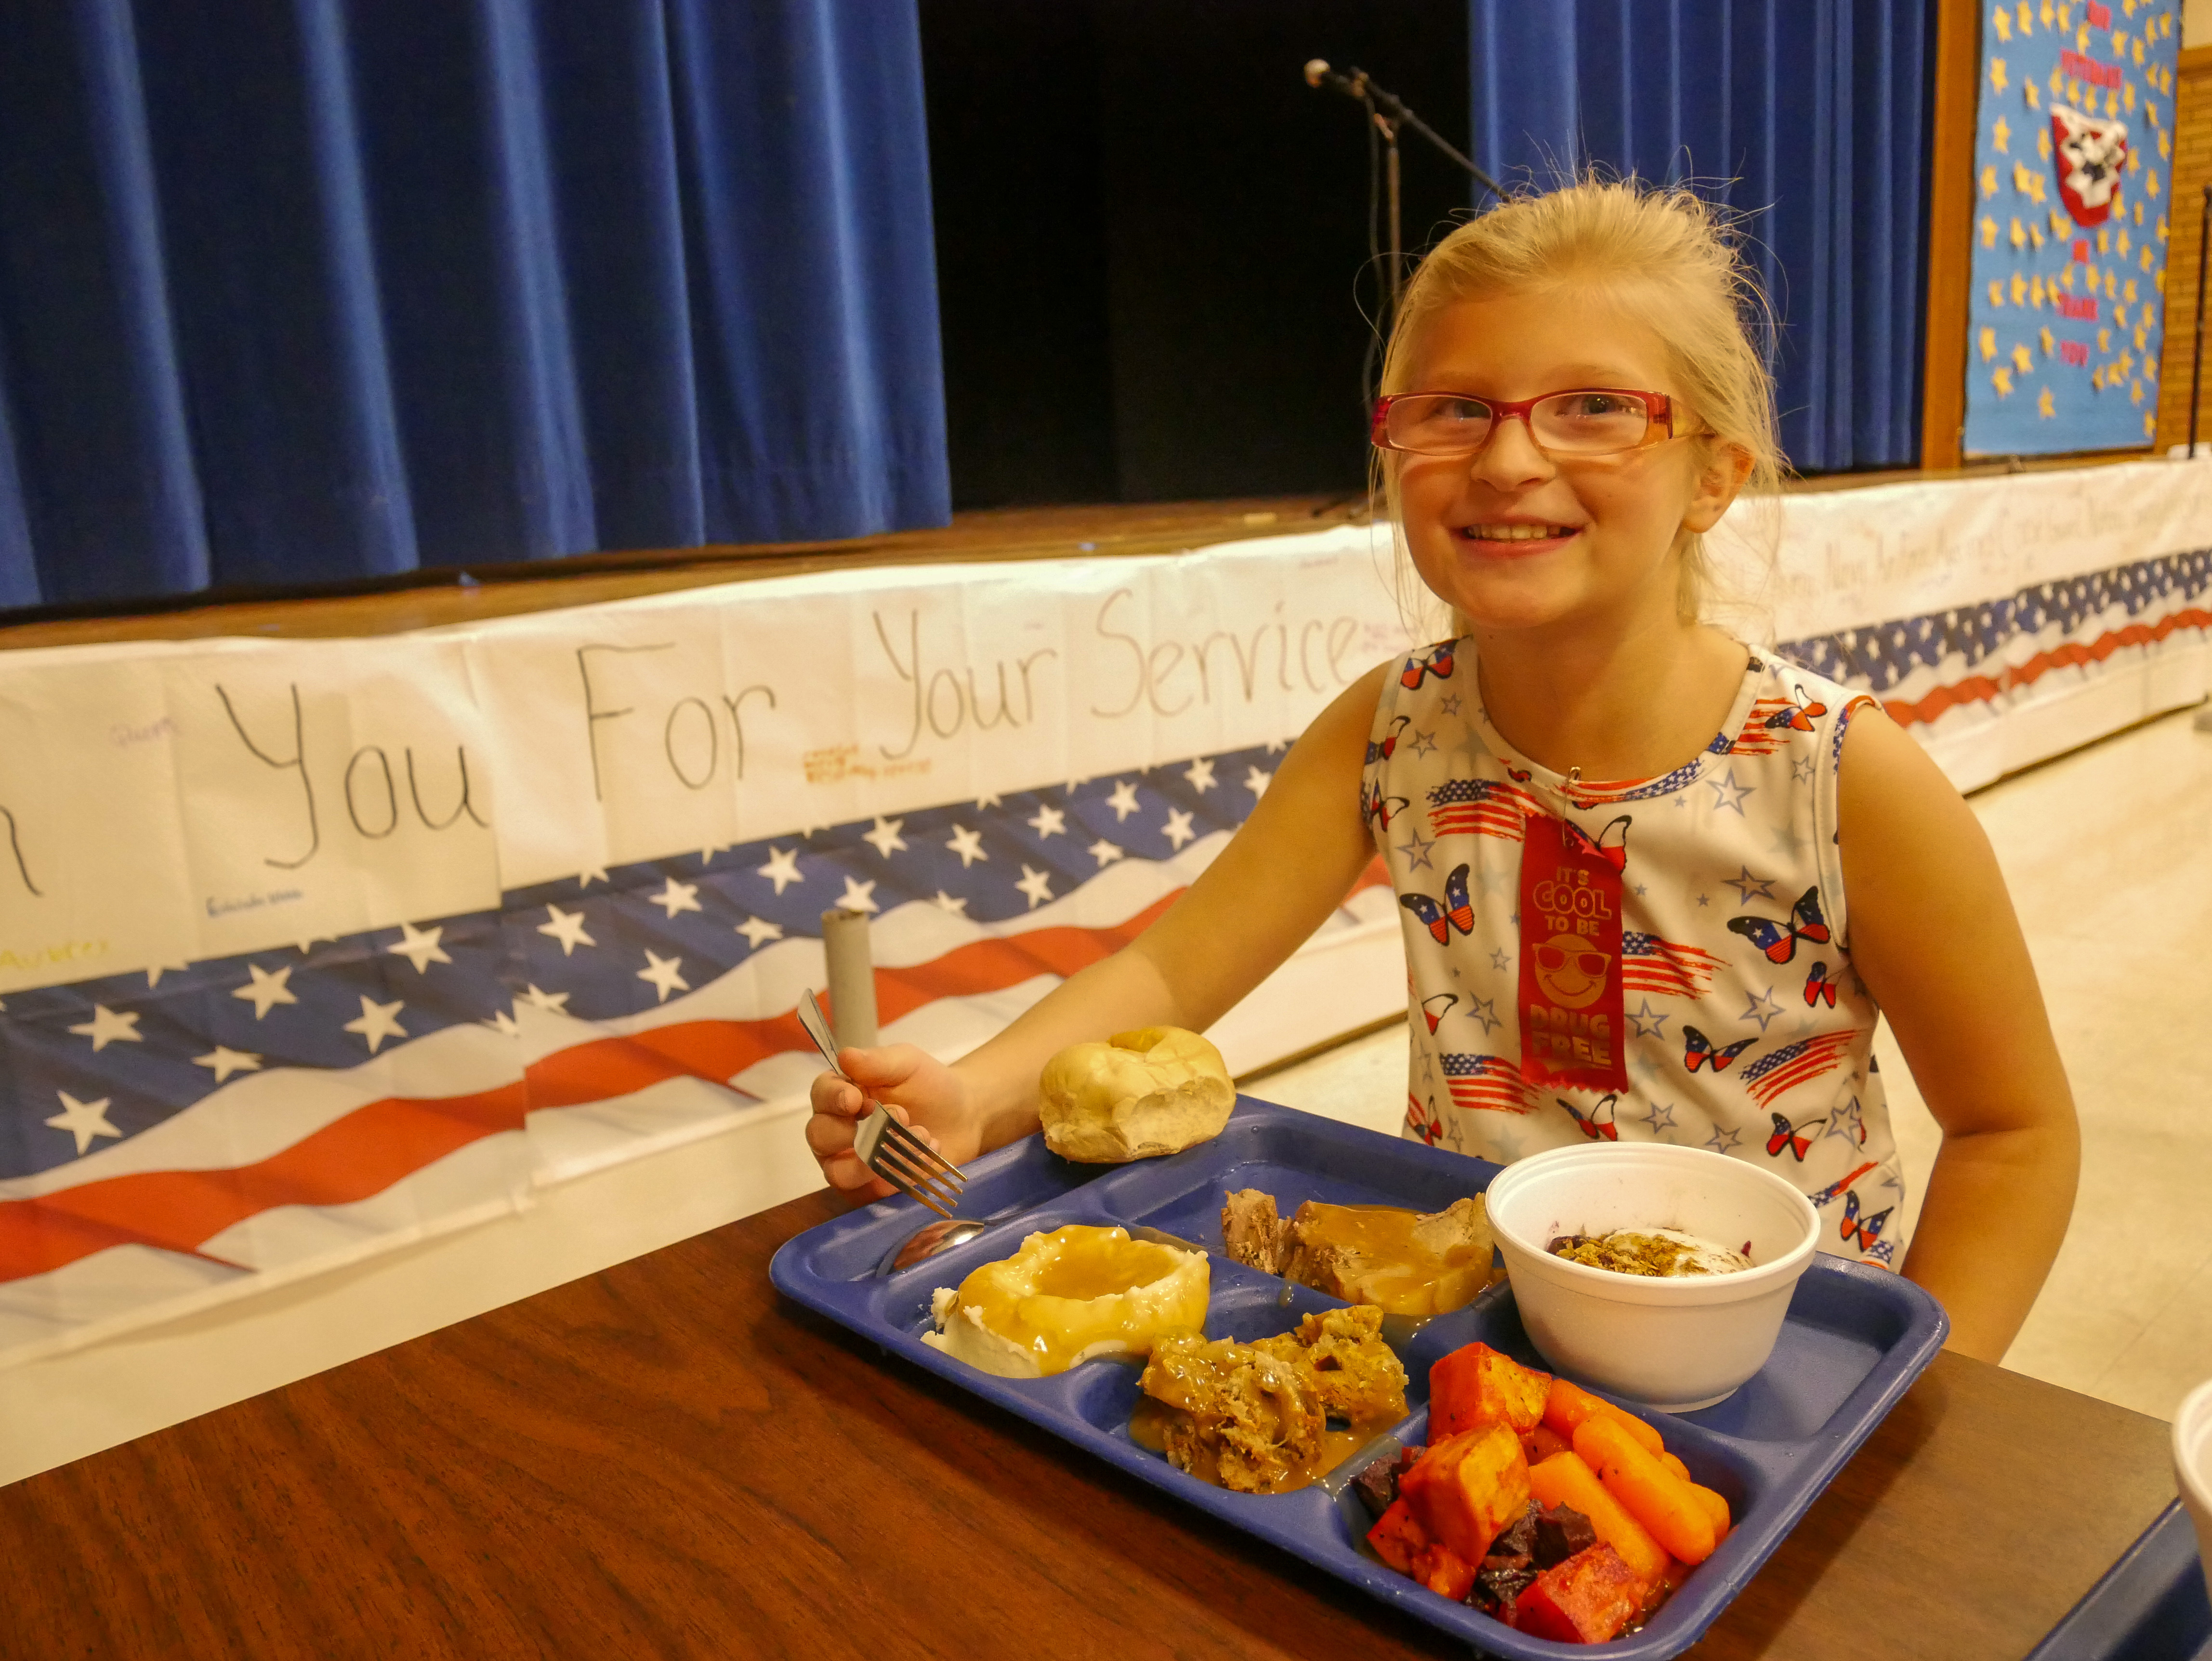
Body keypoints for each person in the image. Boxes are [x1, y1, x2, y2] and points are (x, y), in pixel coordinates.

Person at [805, 179, 2079, 1365]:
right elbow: (1175, 970)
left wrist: (1924, 1401)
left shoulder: (1846, 777)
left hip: (1770, 1361)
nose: (1510, 460)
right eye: (1455, 408)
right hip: (1471, 1334)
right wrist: (974, 1099)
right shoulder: (1394, 730)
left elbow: (2016, 1136)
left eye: (1595, 408)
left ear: (1715, 474)